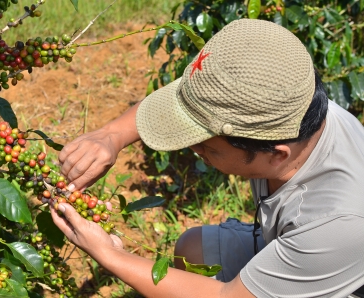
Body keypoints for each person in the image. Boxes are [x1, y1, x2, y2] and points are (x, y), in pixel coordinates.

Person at [51, 19, 364, 297]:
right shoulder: (286, 105)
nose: (192, 148)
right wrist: (112, 136)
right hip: (299, 246)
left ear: (276, 156)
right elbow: (190, 100)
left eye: (206, 147)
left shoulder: (335, 224)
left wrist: (110, 255)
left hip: (332, 272)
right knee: (194, 249)